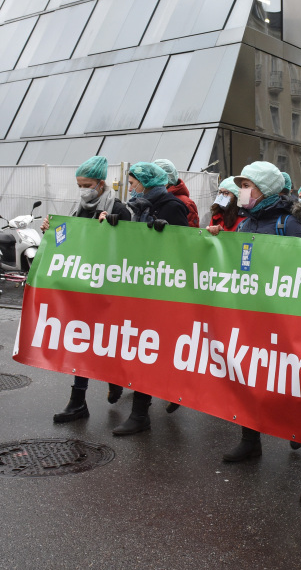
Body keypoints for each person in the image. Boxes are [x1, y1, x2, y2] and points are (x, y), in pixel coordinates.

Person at [215, 162, 301, 460]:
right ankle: (250, 438)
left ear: (265, 189)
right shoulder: (246, 222)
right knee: (249, 374)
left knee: (286, 376)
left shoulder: (288, 223)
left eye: (247, 186)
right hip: (251, 314)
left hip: (282, 316)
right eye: (241, 186)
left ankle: (300, 427)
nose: (241, 192)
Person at [45, 156, 132, 424]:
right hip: (83, 286)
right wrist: (53, 231)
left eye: (87, 184)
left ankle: (115, 378)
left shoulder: (119, 208)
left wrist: (112, 227)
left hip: (109, 288)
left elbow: (131, 247)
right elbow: (68, 241)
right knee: (81, 343)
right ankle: (77, 401)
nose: (83, 189)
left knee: (107, 340)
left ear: (101, 183)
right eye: (79, 184)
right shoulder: (79, 207)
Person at [111, 162, 190, 436]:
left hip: (162, 290)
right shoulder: (135, 206)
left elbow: (185, 248)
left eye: (132, 183)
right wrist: (114, 225)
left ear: (145, 181)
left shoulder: (171, 205)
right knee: (142, 348)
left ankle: (142, 411)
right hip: (138, 286)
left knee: (153, 349)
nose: (130, 188)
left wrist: (167, 236)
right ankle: (142, 411)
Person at [154, 159, 199, 228]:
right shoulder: (157, 199)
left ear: (166, 179)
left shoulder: (186, 203)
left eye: (155, 177)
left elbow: (191, 233)